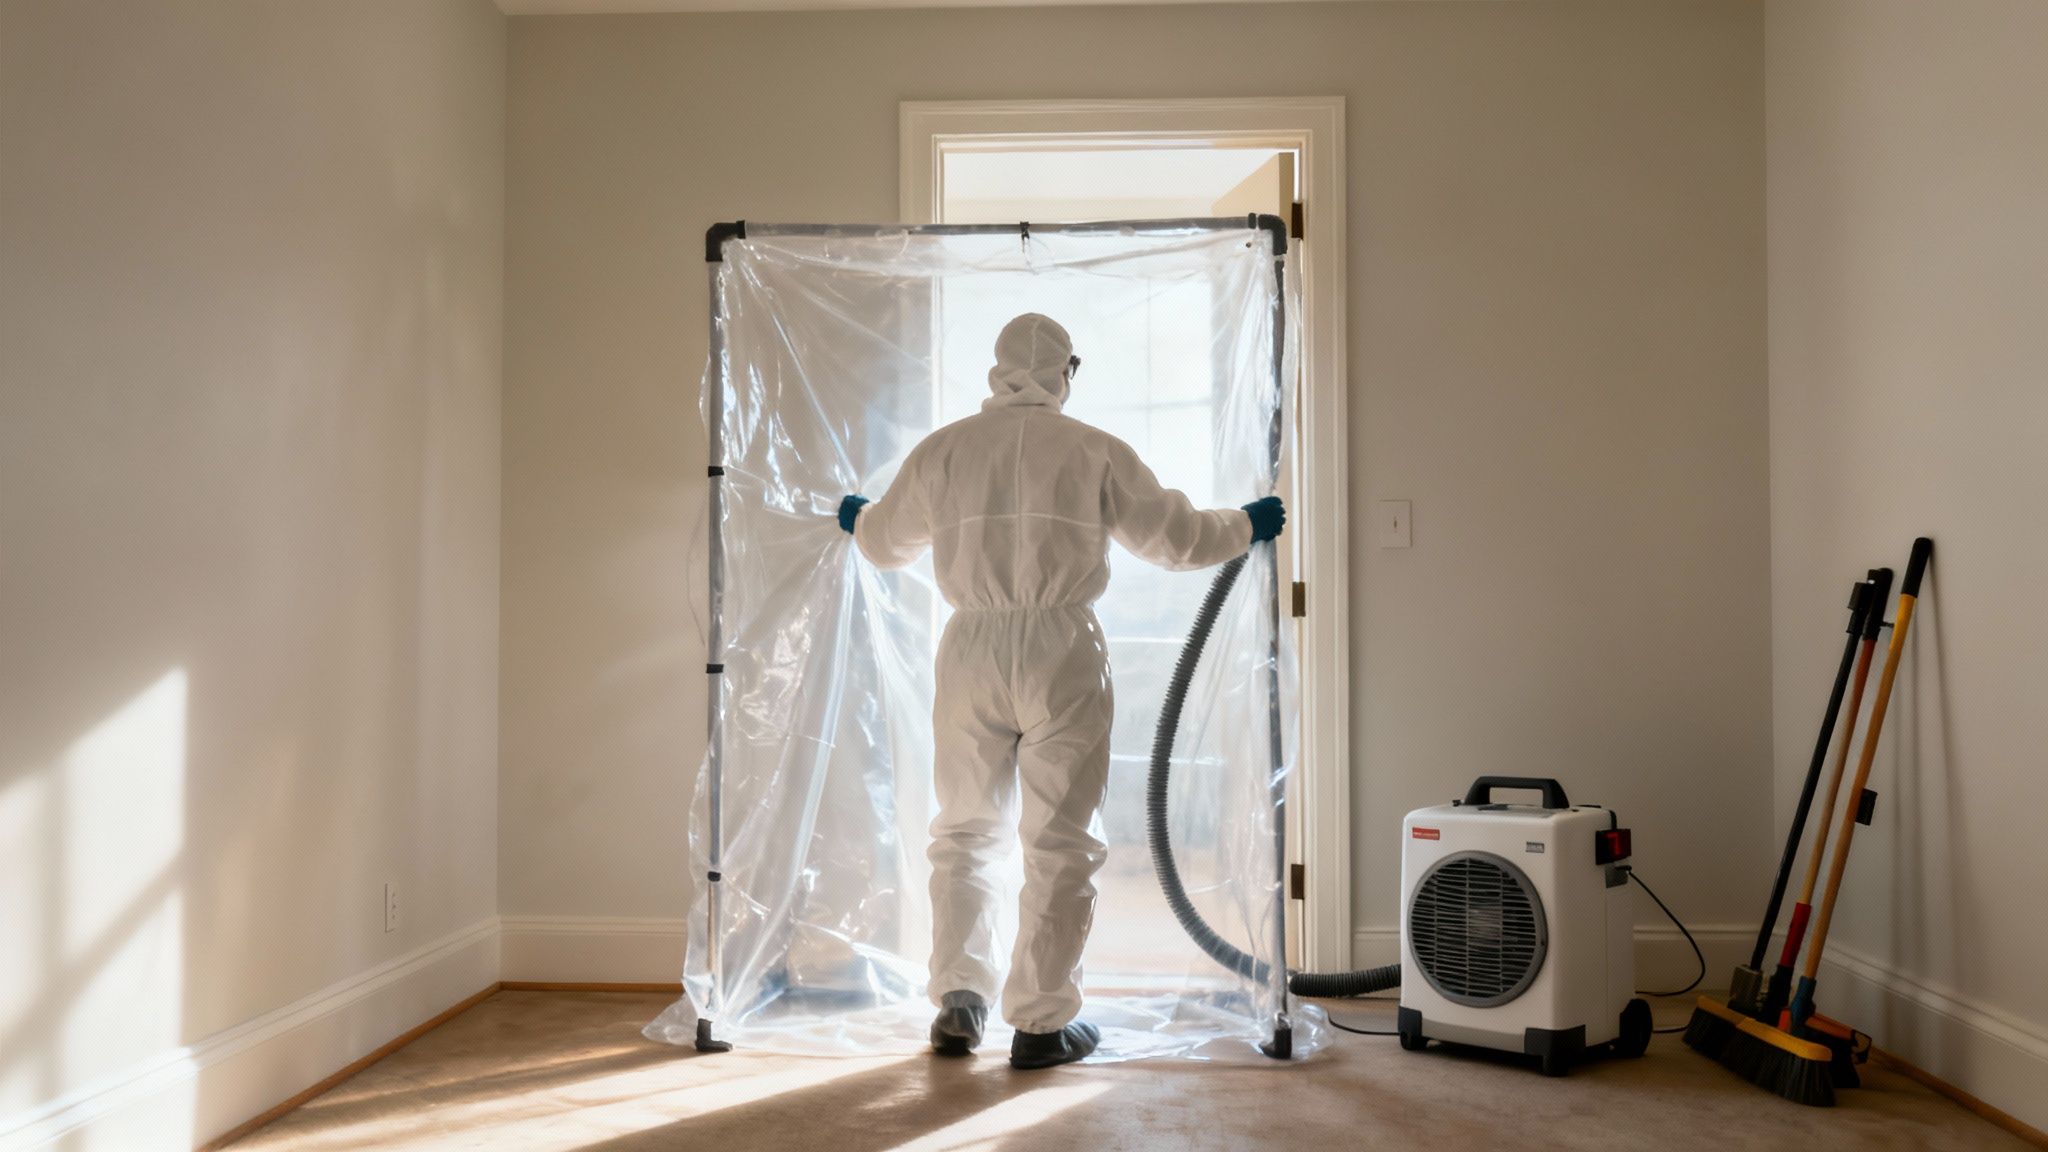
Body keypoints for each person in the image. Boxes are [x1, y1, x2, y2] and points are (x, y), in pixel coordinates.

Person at [837, 313, 1285, 1069]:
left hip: (971, 647)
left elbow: (885, 544)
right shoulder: (1092, 450)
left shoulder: (944, 450)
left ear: (998, 368)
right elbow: (1176, 539)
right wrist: (1245, 524)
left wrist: (859, 520)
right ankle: (1042, 1024)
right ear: (1064, 371)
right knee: (1059, 841)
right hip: (1061, 652)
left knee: (965, 831)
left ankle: (958, 1001)